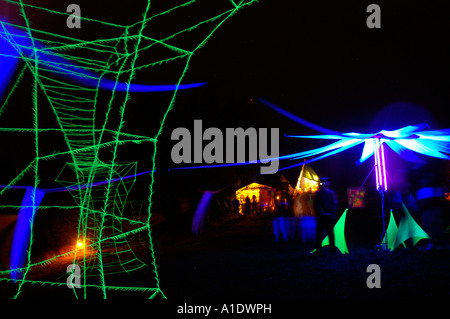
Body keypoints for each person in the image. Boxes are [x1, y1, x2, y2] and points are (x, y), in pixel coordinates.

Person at [313, 177, 338, 254]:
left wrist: (332, 213)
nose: (324, 183)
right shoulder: (319, 193)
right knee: (321, 233)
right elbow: (316, 204)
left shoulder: (331, 193)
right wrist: (319, 213)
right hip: (322, 216)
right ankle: (319, 250)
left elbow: (334, 203)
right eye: (323, 182)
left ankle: (331, 250)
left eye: (326, 181)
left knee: (329, 233)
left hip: (328, 216)